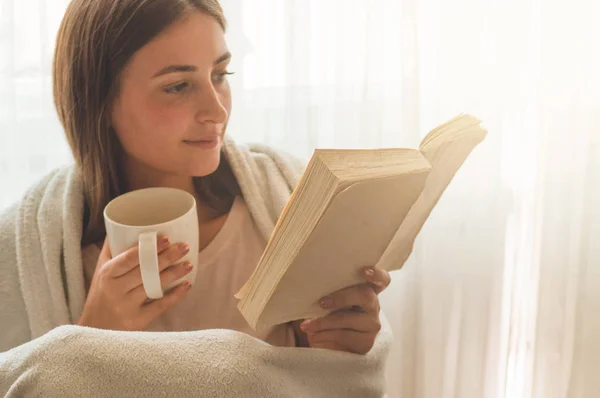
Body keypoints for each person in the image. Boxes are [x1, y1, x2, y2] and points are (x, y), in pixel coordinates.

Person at [0, 0, 390, 359]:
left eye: (220, 74)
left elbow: (323, 378)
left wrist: (334, 340)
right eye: (178, 86)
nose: (216, 110)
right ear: (97, 100)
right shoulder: (34, 251)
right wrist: (89, 337)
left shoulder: (284, 205)